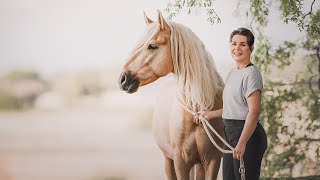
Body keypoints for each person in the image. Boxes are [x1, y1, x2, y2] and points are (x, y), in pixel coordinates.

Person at [193, 27, 268, 180]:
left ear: (251, 48)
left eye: (242, 44)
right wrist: (209, 114)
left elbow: (254, 112)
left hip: (247, 136)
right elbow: (232, 106)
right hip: (230, 134)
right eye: (234, 44)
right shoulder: (233, 73)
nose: (237, 48)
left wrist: (242, 143)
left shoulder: (251, 74)